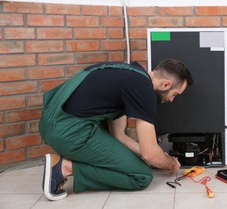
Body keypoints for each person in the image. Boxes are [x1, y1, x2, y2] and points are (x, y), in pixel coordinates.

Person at [38, 59, 193, 201]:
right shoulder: (145, 91)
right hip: (69, 133)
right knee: (141, 176)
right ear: (166, 84)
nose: (172, 100)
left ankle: (71, 160)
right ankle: (64, 167)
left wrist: (159, 157)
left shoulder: (128, 73)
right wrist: (170, 164)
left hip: (51, 125)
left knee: (133, 158)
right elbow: (150, 153)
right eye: (175, 94)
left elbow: (119, 137)